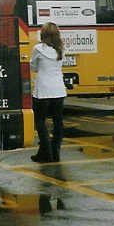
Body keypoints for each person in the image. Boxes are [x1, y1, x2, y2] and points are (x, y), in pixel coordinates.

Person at [29, 21, 66, 163]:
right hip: (59, 89)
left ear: (43, 34)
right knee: (58, 122)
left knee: (40, 121)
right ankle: (55, 152)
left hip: (43, 90)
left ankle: (46, 153)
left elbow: (33, 67)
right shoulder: (61, 49)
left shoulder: (38, 49)